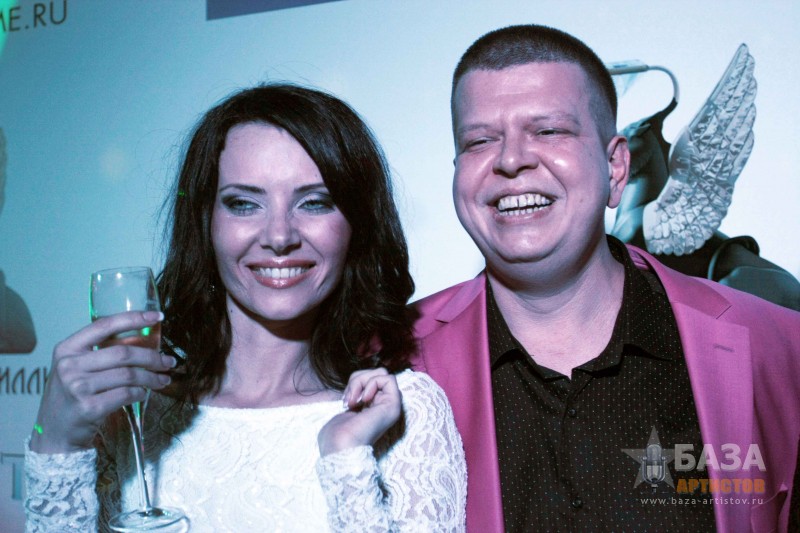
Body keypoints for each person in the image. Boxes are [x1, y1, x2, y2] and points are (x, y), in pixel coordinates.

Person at [24, 84, 467, 532]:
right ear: (206, 223)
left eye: (314, 202)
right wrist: (55, 440)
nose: (279, 236)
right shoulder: (135, 414)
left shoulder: (402, 412)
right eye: (244, 204)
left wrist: (347, 459)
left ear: (357, 224)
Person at [411, 24, 800, 532]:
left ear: (616, 168)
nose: (510, 160)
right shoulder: (388, 359)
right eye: (480, 140)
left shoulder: (779, 349)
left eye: (548, 131)